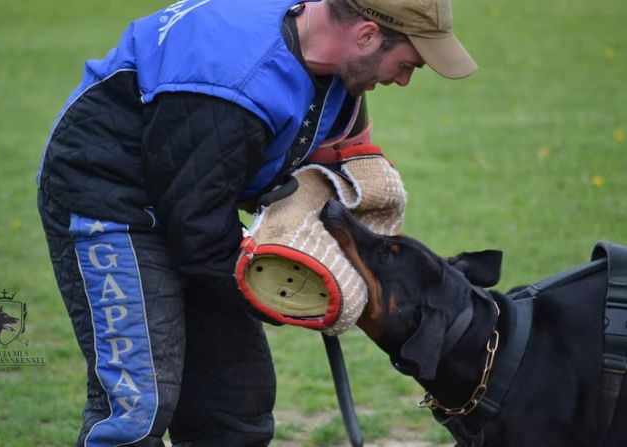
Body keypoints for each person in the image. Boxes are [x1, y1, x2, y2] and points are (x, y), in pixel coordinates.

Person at [36, 0, 476, 445]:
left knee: (234, 408)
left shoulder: (336, 64)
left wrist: (345, 196)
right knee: (136, 409)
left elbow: (335, 149)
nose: (403, 79)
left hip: (193, 204)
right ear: (366, 35)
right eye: (408, 65)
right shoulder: (231, 81)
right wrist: (284, 292)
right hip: (109, 200)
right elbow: (198, 232)